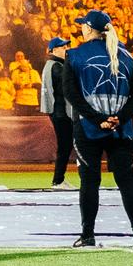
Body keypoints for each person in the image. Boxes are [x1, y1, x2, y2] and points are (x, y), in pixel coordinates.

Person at [59, 7, 133, 248]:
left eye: (82, 25)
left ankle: (88, 235)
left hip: (89, 128)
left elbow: (71, 94)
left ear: (88, 29)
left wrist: (97, 118)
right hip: (122, 130)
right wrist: (120, 116)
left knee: (89, 182)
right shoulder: (127, 57)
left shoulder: (75, 55)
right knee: (127, 181)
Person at [40, 29, 78, 188]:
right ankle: (58, 180)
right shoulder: (57, 67)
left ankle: (59, 179)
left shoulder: (51, 65)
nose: (66, 49)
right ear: (54, 50)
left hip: (58, 112)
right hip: (62, 113)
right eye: (63, 47)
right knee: (65, 146)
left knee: (66, 145)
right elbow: (67, 88)